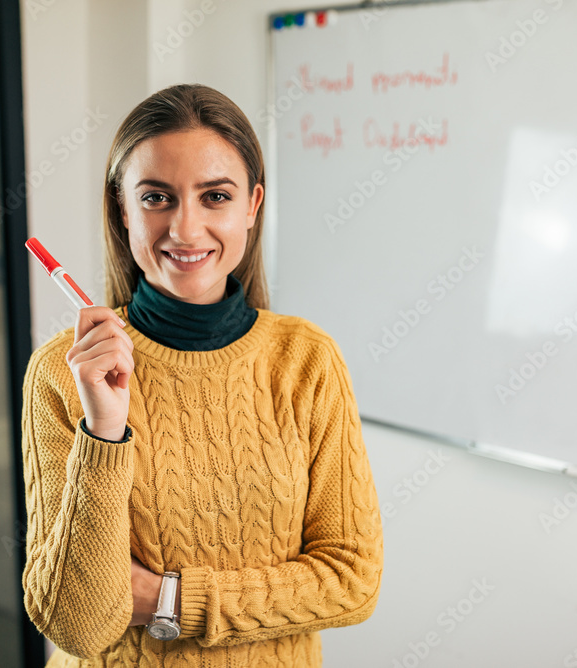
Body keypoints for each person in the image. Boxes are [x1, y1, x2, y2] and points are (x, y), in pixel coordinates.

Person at [20, 83, 384, 667]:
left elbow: (352, 580)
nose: (185, 230)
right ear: (122, 208)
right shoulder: (63, 375)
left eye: (214, 196)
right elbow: (78, 625)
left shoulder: (306, 360)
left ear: (252, 206)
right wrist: (105, 433)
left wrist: (170, 599)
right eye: (157, 197)